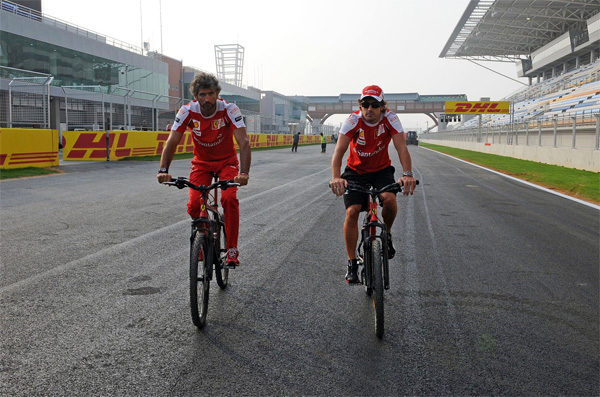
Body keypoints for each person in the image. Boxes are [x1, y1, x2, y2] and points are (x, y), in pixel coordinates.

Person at [157, 72, 251, 267]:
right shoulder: (187, 111)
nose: (207, 99)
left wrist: (243, 173)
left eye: (210, 93)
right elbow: (172, 141)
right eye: (202, 95)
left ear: (217, 93)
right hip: (202, 164)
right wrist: (163, 169)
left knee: (228, 199)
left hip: (227, 163)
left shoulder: (229, 109)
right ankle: (204, 236)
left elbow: (243, 142)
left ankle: (232, 249)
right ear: (195, 96)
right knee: (193, 205)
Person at [329, 84, 417, 283]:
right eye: (365, 104)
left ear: (382, 107)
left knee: (390, 200)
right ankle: (352, 262)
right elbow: (339, 152)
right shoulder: (352, 120)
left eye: (374, 105)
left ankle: (387, 234)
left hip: (381, 170)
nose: (369, 109)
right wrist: (336, 177)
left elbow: (401, 147)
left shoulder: (391, 119)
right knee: (352, 211)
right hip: (356, 171)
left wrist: (407, 174)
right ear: (360, 106)